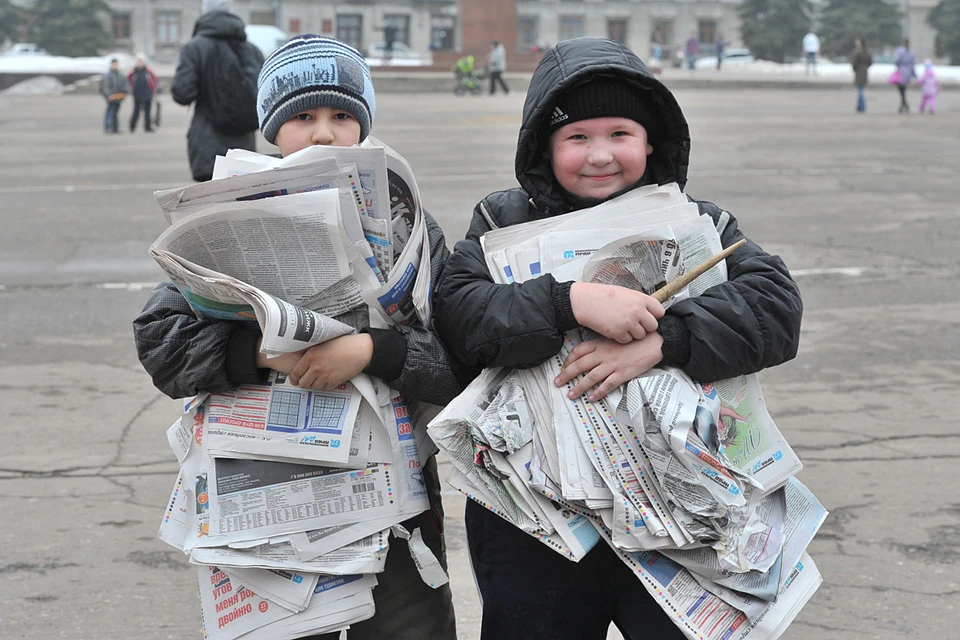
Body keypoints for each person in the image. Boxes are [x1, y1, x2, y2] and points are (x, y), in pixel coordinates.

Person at [434, 37, 802, 640]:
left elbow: (774, 307)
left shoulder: (697, 220)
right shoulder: (503, 222)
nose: (599, 155)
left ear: (651, 140)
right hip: (540, 519)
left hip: (677, 507)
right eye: (576, 137)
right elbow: (461, 316)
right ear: (543, 148)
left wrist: (667, 340)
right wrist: (567, 300)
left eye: (619, 134)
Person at [134, 35, 461, 640]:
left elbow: (458, 358)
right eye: (302, 117)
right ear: (271, 130)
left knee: (406, 624)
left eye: (343, 116)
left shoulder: (410, 225)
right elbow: (160, 343)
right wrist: (259, 353)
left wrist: (374, 350)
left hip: (391, 494)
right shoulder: (226, 220)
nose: (323, 134)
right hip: (262, 485)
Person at [171, 0, 264, 181]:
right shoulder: (252, 50)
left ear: (204, 13)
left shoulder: (195, 47)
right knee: (244, 203)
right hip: (245, 145)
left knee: (211, 205)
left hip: (208, 143)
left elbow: (182, 93)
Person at [127, 53, 159, 132]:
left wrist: (155, 91)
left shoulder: (148, 71)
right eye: (139, 61)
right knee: (136, 111)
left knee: (147, 112)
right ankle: (132, 127)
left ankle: (147, 127)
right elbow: (128, 79)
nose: (140, 63)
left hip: (147, 94)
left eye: (142, 61)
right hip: (137, 94)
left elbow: (155, 80)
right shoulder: (133, 72)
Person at [100, 58, 127, 134]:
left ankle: (115, 128)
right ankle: (108, 127)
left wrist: (124, 93)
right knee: (110, 112)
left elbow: (125, 84)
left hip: (118, 97)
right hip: (111, 98)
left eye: (116, 64)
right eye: (113, 64)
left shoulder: (120, 75)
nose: (115, 66)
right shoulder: (108, 75)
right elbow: (105, 86)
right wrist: (108, 95)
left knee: (115, 113)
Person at [893, 38, 917, 114]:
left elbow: (896, 61)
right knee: (903, 89)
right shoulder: (911, 52)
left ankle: (904, 104)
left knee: (901, 89)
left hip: (901, 72)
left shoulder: (900, 51)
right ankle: (904, 104)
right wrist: (914, 75)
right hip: (908, 72)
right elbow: (913, 64)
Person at [851, 37, 872, 113]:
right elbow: (870, 62)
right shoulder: (867, 51)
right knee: (861, 88)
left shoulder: (857, 52)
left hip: (859, 71)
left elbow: (854, 62)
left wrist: (855, 68)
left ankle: (862, 106)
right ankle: (860, 106)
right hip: (865, 70)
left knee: (860, 90)